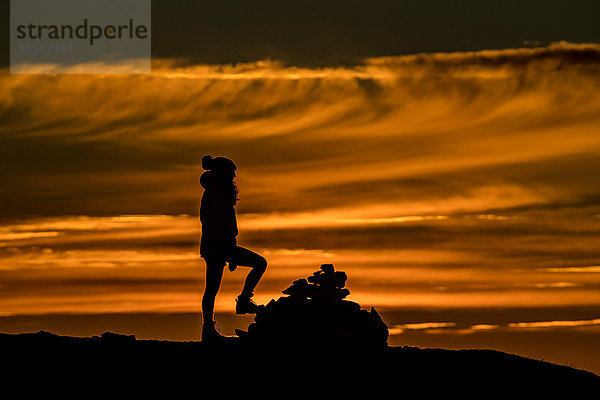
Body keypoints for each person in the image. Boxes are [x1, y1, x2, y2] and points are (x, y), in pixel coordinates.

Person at [199, 155, 267, 341]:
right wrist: (227, 250)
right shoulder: (215, 194)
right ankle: (209, 328)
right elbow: (214, 224)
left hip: (220, 246)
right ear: (222, 173)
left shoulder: (219, 192)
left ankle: (241, 302)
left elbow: (225, 224)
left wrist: (230, 248)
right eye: (232, 172)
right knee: (212, 287)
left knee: (213, 287)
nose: (234, 176)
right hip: (216, 247)